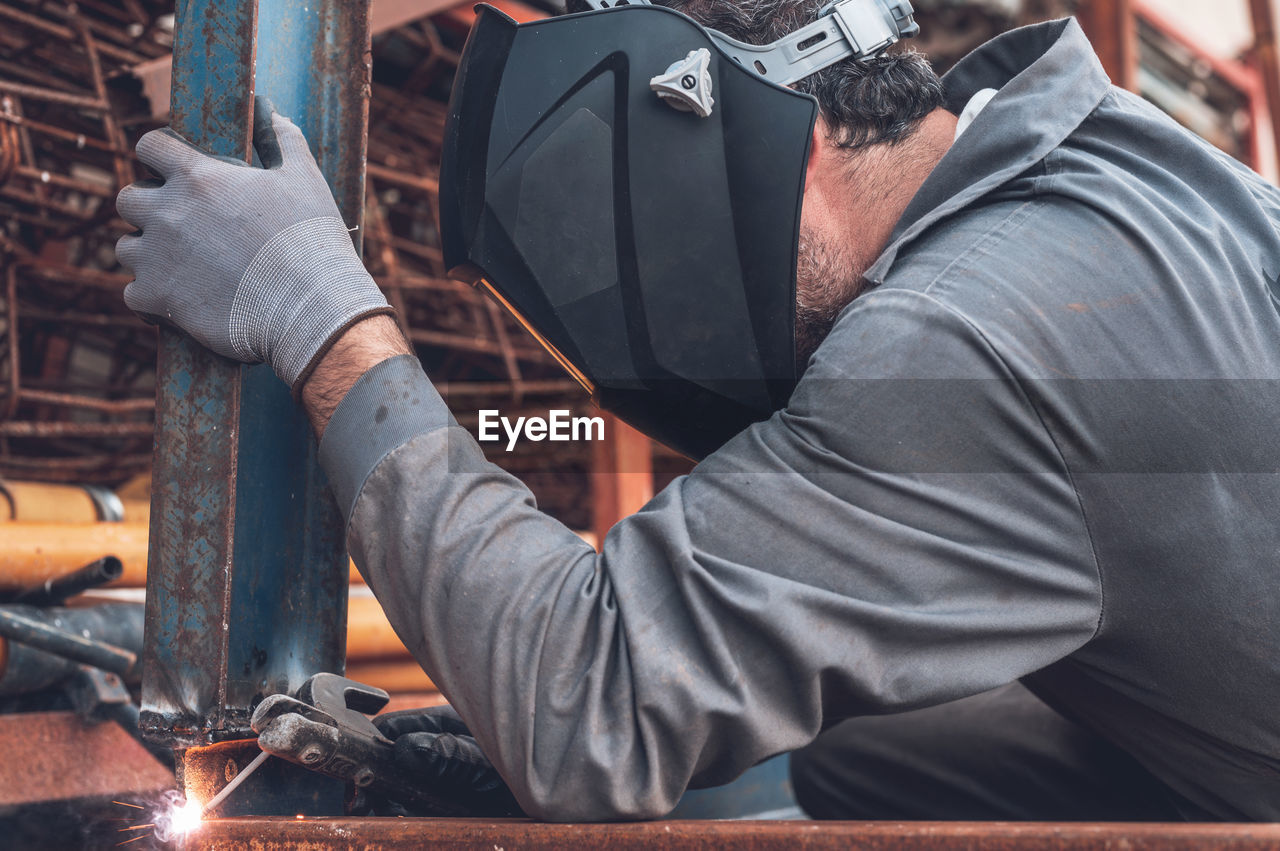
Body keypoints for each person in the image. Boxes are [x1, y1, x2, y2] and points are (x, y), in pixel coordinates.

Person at [114, 0, 1280, 823]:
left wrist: (320, 317)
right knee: (853, 753)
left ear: (743, 130)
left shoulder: (956, 333)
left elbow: (576, 704)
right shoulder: (1122, 166)